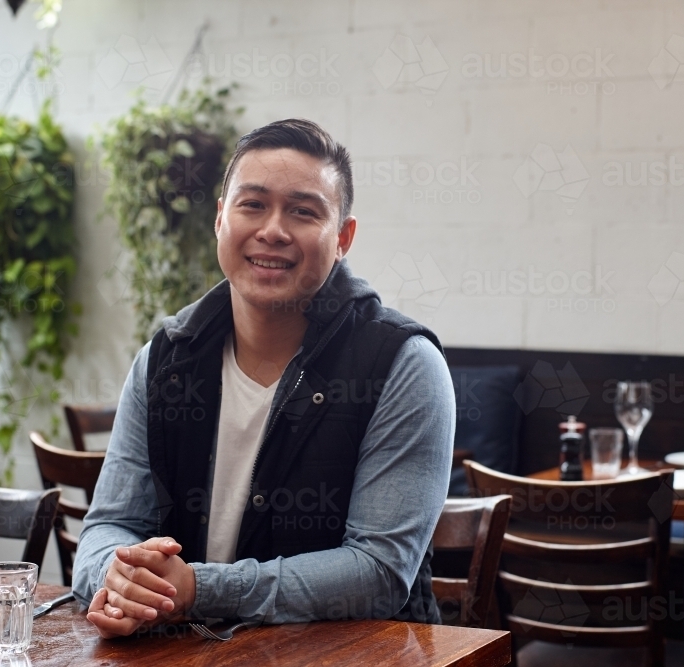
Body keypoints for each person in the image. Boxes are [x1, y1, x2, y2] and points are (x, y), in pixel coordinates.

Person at [74, 118, 455, 638]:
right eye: (252, 204)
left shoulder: (402, 364)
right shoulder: (165, 358)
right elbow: (108, 526)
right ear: (219, 220)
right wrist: (116, 579)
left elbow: (379, 570)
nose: (272, 230)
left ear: (343, 237)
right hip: (191, 654)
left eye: (303, 211)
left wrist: (199, 590)